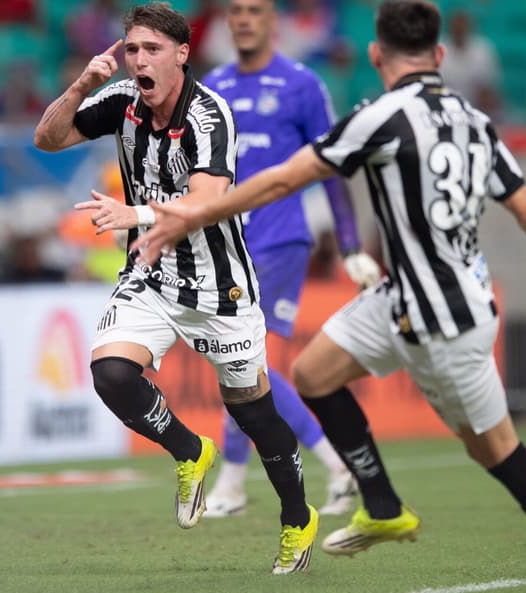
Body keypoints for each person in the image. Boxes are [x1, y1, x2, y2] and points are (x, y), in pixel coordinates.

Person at [128, 1, 526, 591]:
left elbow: (290, 176)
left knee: (496, 452)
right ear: (440, 56)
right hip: (406, 298)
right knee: (315, 372)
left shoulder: (379, 116)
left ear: (375, 54)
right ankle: (383, 503)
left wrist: (196, 211)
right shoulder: (475, 121)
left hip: (443, 321)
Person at [34, 2, 318, 575]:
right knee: (111, 373)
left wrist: (131, 214)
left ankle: (297, 518)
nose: (139, 60)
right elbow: (48, 138)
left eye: (152, 50)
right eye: (132, 50)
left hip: (221, 290)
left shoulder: (210, 116)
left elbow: (208, 203)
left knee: (255, 415)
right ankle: (190, 451)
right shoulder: (123, 103)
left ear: (182, 55)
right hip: (153, 274)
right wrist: (83, 84)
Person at [199, 0, 376, 520]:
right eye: (236, 11)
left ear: (273, 21)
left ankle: (326, 466)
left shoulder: (302, 84)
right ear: (228, 22)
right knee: (239, 360)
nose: (245, 19)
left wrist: (350, 245)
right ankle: (240, 482)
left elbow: (334, 166)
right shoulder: (213, 88)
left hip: (280, 240)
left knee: (245, 360)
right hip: (228, 245)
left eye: (255, 10)